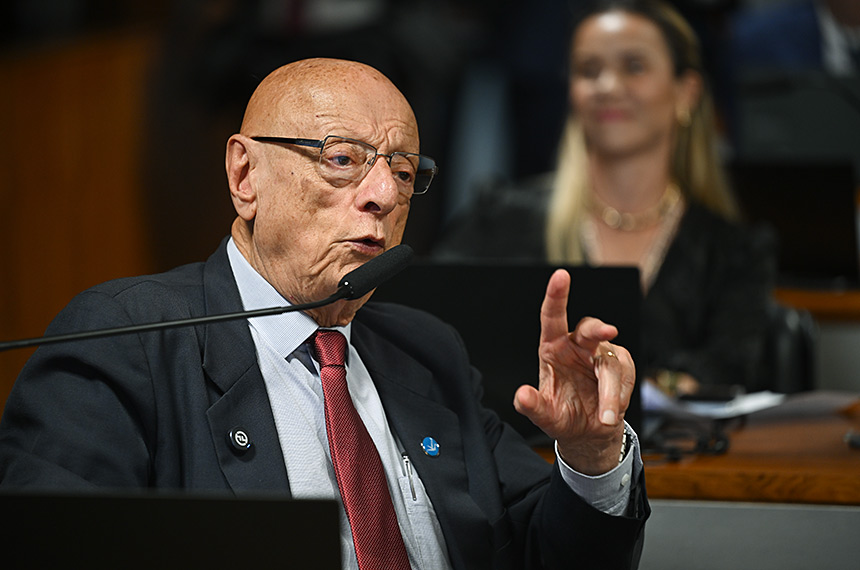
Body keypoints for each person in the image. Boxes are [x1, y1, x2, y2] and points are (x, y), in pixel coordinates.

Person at [0, 58, 648, 569]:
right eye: (342, 159)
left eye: (403, 172)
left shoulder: (427, 351)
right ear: (245, 175)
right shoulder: (124, 340)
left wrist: (590, 457)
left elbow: (545, 555)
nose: (383, 195)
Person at [434, 0, 775, 397]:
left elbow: (730, 370)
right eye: (589, 70)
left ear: (687, 92)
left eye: (634, 66)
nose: (608, 86)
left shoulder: (734, 251)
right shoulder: (501, 218)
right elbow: (428, 328)